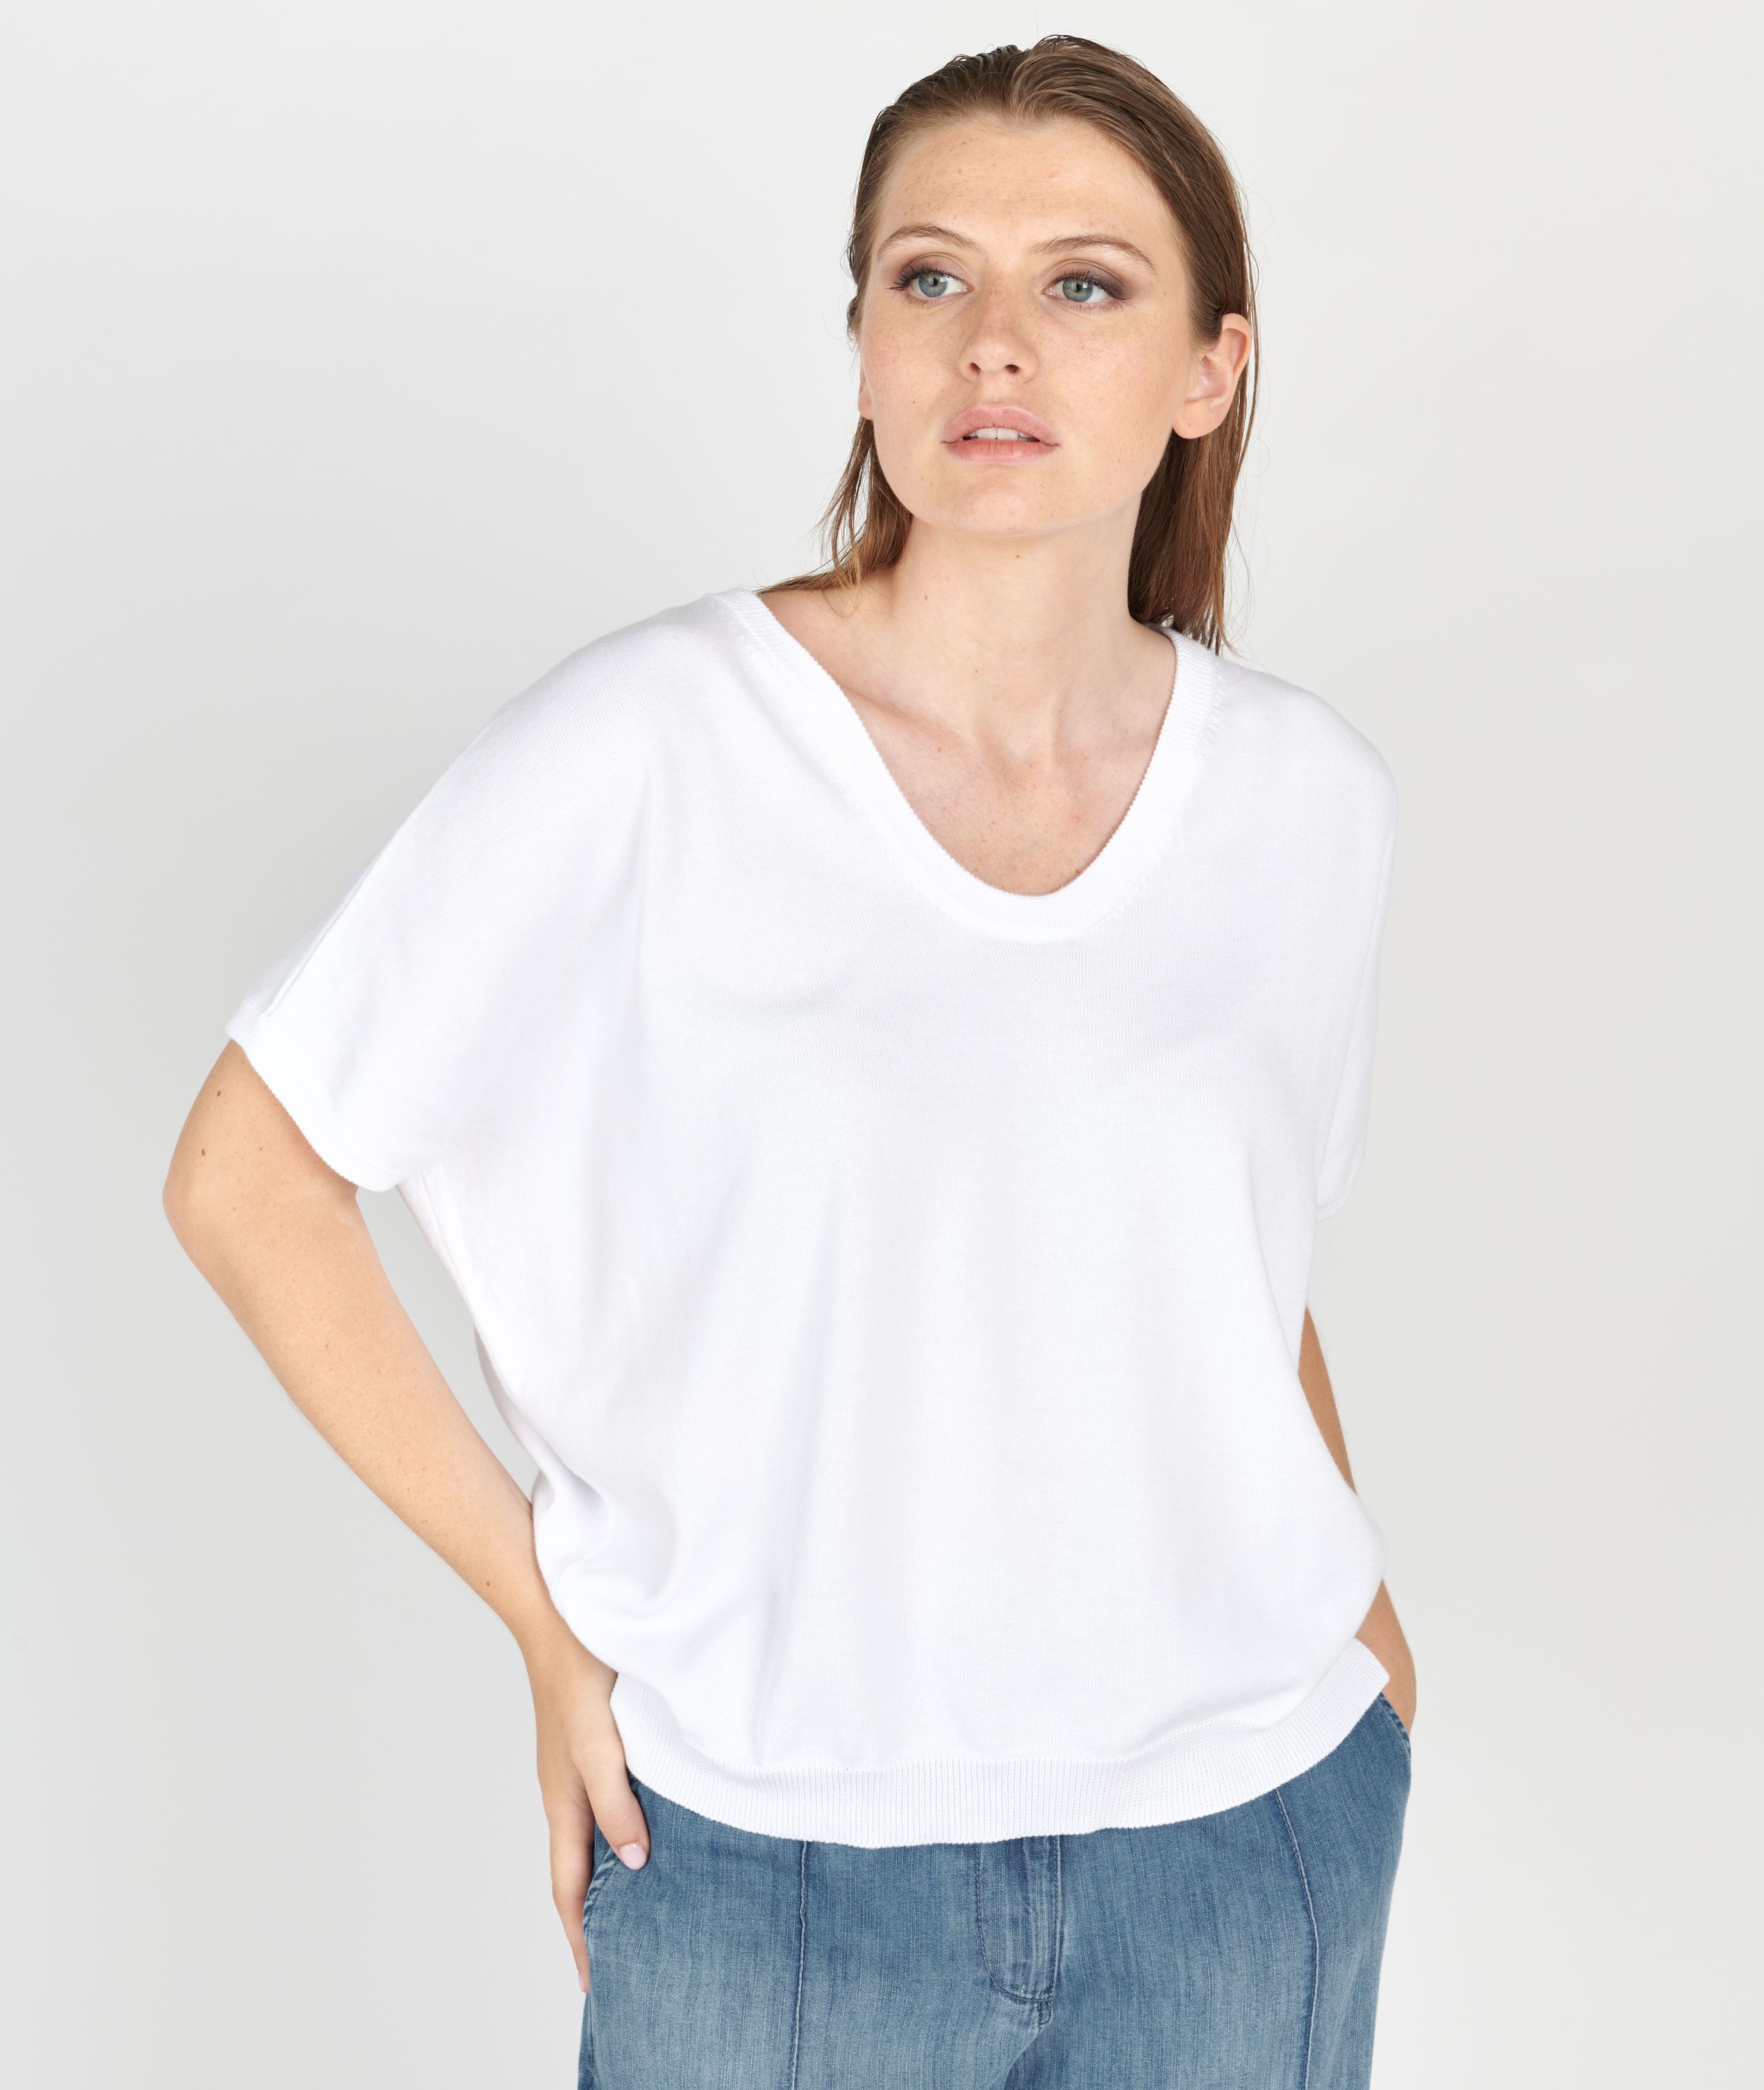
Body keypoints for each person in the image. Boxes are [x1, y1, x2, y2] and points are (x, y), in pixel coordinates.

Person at [164, 33, 1415, 2090]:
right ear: (862, 346)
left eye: (1084, 284)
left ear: (1213, 371)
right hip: (771, 1865)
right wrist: (545, 1621)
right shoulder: (652, 745)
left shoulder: (1307, 801)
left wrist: (1361, 1640)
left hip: (1248, 1848)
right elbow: (247, 1173)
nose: (995, 341)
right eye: (932, 277)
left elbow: (1236, 1265)